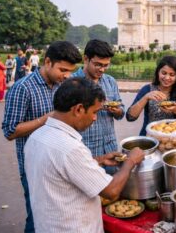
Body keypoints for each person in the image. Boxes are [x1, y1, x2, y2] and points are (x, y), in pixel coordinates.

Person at [24, 77, 145, 233]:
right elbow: (111, 190)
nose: (95, 118)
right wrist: (131, 161)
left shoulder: (37, 136)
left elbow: (59, 168)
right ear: (79, 109)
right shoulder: (70, 148)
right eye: (94, 112)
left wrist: (99, 160)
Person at [2, 41, 82, 233]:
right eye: (63, 70)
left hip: (59, 164)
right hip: (34, 166)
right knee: (37, 219)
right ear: (47, 62)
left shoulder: (59, 86)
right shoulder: (23, 88)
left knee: (57, 218)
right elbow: (10, 131)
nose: (67, 76)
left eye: (70, 71)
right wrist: (46, 119)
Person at [71, 39, 125, 157]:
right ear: (86, 59)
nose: (102, 69)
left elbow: (121, 112)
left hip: (109, 147)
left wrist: (117, 110)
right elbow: (65, 117)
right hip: (85, 150)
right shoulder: (72, 82)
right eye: (98, 64)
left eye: (106, 65)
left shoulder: (110, 81)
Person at [127, 55, 176, 135]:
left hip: (175, 139)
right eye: (164, 73)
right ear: (158, 72)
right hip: (150, 138)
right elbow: (130, 117)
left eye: (172, 75)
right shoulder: (147, 89)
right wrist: (145, 98)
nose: (167, 78)